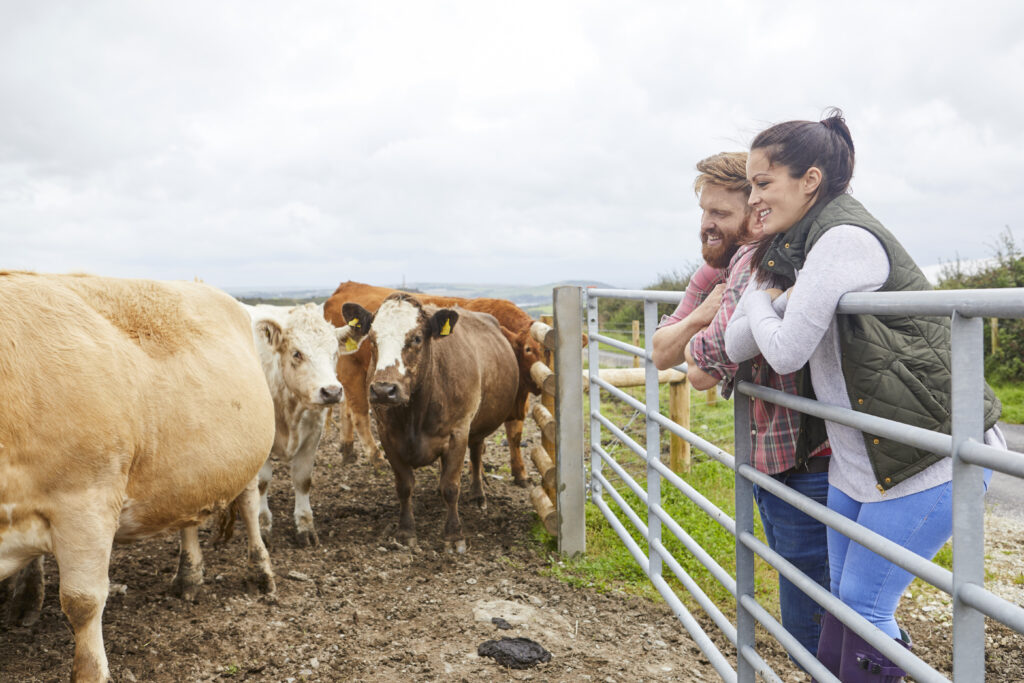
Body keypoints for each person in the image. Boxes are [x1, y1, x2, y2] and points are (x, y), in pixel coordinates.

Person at [725, 108, 1003, 681]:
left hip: (931, 455)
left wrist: (759, 296)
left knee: (860, 608)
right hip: (864, 463)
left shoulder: (842, 239)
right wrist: (769, 299)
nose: (753, 198)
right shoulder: (800, 243)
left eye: (762, 183)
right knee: (846, 609)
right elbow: (733, 344)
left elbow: (782, 352)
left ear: (810, 181)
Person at [652, 152, 832, 660]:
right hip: (772, 451)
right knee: (813, 591)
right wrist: (701, 317)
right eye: (704, 212)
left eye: (720, 214)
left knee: (815, 605)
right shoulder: (714, 271)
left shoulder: (759, 261)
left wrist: (699, 332)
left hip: (808, 452)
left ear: (754, 213)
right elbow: (662, 350)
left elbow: (702, 372)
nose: (707, 225)